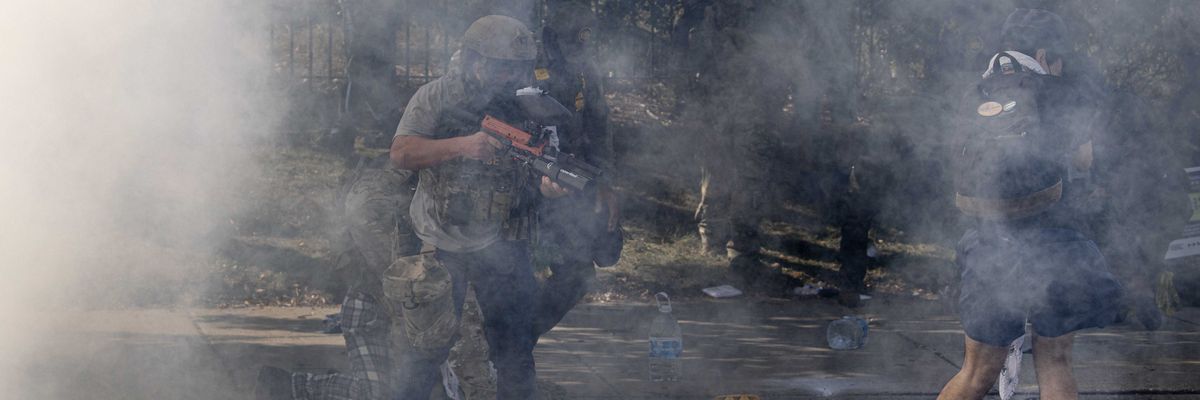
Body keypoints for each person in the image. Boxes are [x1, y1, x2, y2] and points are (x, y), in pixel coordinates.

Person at [938, 6, 1123, 400]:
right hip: (1054, 242)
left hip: (990, 245)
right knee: (1054, 362)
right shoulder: (1058, 91)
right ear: (1042, 55)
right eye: (1057, 61)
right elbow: (1084, 158)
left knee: (975, 372)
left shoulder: (976, 93)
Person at [387, 15, 566, 400]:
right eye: (502, 67)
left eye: (517, 68)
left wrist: (552, 189)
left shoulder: (534, 109)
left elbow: (546, 171)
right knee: (424, 353)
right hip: (438, 243)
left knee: (516, 353)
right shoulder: (436, 97)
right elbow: (401, 152)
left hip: (503, 243)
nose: (511, 76)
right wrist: (464, 145)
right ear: (474, 61)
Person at [530, 0, 622, 340]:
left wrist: (604, 183)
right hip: (521, 187)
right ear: (551, 35)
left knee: (578, 273)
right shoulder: (526, 60)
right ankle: (503, 356)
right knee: (509, 276)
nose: (577, 50)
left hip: (569, 186)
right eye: (570, 41)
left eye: (582, 42)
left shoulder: (586, 68)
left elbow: (600, 128)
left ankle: (519, 343)